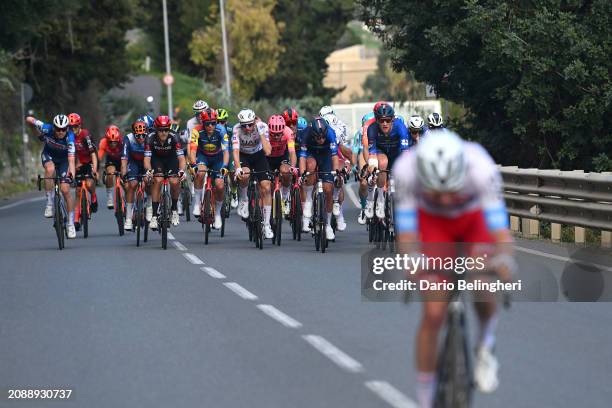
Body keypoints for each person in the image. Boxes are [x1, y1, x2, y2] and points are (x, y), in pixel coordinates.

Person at [393, 130, 516, 408]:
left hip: (474, 220)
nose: (447, 199)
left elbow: (500, 231)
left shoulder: (481, 167)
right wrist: (412, 260)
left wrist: (504, 259)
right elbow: (407, 234)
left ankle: (486, 342)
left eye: (451, 191)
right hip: (433, 224)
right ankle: (426, 397)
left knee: (484, 285)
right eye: (438, 192)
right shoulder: (405, 169)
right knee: (433, 313)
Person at [25, 114, 77, 238]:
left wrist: (72, 175)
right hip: (49, 156)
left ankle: (70, 224)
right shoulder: (46, 128)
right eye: (58, 129)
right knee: (50, 169)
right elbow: (29, 120)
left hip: (64, 161)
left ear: (67, 128)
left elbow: (71, 160)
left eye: (63, 129)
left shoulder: (70, 138)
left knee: (65, 189)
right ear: (53, 128)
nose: (60, 132)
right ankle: (49, 203)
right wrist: (33, 126)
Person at [232, 108, 274, 240]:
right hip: (244, 156)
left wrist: (261, 133)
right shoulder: (236, 129)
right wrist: (238, 167)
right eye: (244, 125)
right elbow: (236, 151)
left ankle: (266, 224)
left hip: (259, 155)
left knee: (266, 187)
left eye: (250, 124)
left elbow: (268, 152)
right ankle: (244, 199)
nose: (247, 128)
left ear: (254, 122)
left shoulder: (262, 127)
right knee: (244, 175)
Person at [364, 103, 412, 219]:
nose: (385, 123)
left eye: (388, 120)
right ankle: (379, 200)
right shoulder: (372, 129)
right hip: (380, 152)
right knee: (381, 165)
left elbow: (405, 153)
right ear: (377, 120)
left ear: (393, 119)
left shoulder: (400, 127)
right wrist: (372, 166)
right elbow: (372, 153)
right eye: (381, 120)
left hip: (396, 152)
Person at [299, 117, 340, 240]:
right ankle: (309, 203)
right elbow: (302, 157)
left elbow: (334, 156)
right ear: (313, 134)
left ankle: (327, 225)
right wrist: (302, 175)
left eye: (323, 137)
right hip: (311, 154)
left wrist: (336, 172)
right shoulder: (306, 133)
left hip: (326, 155)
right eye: (318, 137)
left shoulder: (331, 133)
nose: (321, 140)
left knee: (328, 189)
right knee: (310, 167)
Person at [144, 115, 186, 230]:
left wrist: (182, 171)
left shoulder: (174, 137)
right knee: (157, 180)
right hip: (157, 160)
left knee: (174, 181)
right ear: (156, 130)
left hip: (171, 159)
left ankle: (174, 210)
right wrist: (148, 171)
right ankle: (154, 216)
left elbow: (181, 158)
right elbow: (147, 160)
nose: (163, 133)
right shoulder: (150, 138)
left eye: (166, 130)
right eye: (161, 130)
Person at [190, 108, 229, 230]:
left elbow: (226, 152)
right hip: (203, 157)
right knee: (200, 173)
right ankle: (197, 203)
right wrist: (193, 164)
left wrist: (224, 167)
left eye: (213, 123)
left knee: (220, 185)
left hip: (218, 158)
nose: (210, 126)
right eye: (207, 123)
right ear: (203, 123)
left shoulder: (221, 130)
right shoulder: (196, 131)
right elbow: (192, 150)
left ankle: (217, 214)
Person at [320, 106, 350, 231]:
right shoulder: (318, 127)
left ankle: (338, 206)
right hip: (322, 153)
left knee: (338, 177)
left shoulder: (340, 127)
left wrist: (347, 162)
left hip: (336, 152)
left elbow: (343, 149)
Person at [69, 113, 98, 227]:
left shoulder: (85, 135)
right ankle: (76, 218)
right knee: (77, 191)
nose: (73, 129)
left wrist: (95, 169)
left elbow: (93, 155)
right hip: (78, 164)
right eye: (71, 127)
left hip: (90, 161)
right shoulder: (68, 137)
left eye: (75, 126)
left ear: (80, 126)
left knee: (90, 183)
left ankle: (94, 197)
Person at [121, 120, 149, 231]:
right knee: (132, 184)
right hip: (134, 162)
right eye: (138, 135)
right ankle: (128, 218)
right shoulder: (128, 139)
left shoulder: (149, 138)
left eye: (143, 135)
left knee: (149, 181)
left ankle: (150, 206)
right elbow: (124, 158)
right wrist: (124, 174)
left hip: (147, 161)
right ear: (134, 134)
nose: (141, 137)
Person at [266, 115, 297, 216]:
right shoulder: (264, 132)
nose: (276, 137)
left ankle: (285, 196)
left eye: (278, 134)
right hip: (267, 157)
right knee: (266, 183)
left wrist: (292, 166)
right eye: (273, 134)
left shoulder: (288, 132)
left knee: (286, 172)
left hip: (282, 156)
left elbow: (292, 152)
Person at [353, 112, 375, 225]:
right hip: (364, 153)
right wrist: (353, 166)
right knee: (363, 182)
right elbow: (355, 151)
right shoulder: (359, 134)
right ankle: (363, 208)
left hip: (376, 151)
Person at [98, 125, 124, 209]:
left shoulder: (123, 142)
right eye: (110, 142)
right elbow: (99, 157)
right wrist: (97, 167)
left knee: (126, 181)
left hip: (122, 160)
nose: (113, 144)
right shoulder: (103, 142)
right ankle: (109, 196)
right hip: (111, 160)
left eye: (115, 142)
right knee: (110, 173)